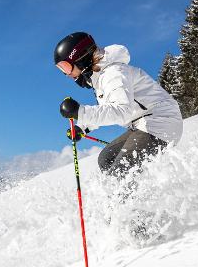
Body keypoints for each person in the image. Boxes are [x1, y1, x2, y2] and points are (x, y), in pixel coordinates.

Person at [54, 31, 183, 177]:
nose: (67, 74)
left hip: (160, 123)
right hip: (144, 124)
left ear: (80, 58)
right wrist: (82, 127)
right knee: (106, 159)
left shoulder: (113, 73)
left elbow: (121, 111)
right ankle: (138, 192)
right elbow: (107, 108)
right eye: (62, 69)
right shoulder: (100, 77)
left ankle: (130, 198)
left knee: (120, 171)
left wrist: (81, 112)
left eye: (66, 67)